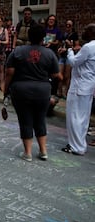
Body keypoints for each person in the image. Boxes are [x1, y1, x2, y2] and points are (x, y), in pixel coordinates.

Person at [5, 24, 61, 162]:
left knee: (25, 120)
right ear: (43, 37)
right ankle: (43, 151)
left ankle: (28, 152)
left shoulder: (18, 51)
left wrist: (6, 89)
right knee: (40, 119)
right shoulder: (49, 54)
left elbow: (9, 73)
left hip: (21, 89)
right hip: (42, 90)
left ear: (29, 36)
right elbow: (57, 75)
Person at [60, 24, 95, 156]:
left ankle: (76, 146)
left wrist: (69, 51)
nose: (83, 32)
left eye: (86, 30)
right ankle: (80, 144)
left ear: (92, 32)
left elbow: (74, 62)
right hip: (89, 85)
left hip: (79, 85)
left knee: (74, 116)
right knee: (83, 117)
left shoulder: (88, 47)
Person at [57, 19, 79, 99]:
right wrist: (60, 49)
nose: (68, 26)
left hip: (69, 57)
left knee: (67, 76)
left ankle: (66, 93)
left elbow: (77, 47)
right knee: (59, 74)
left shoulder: (74, 35)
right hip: (62, 56)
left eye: (69, 25)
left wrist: (69, 47)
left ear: (72, 26)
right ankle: (59, 92)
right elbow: (61, 44)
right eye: (67, 25)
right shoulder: (64, 34)